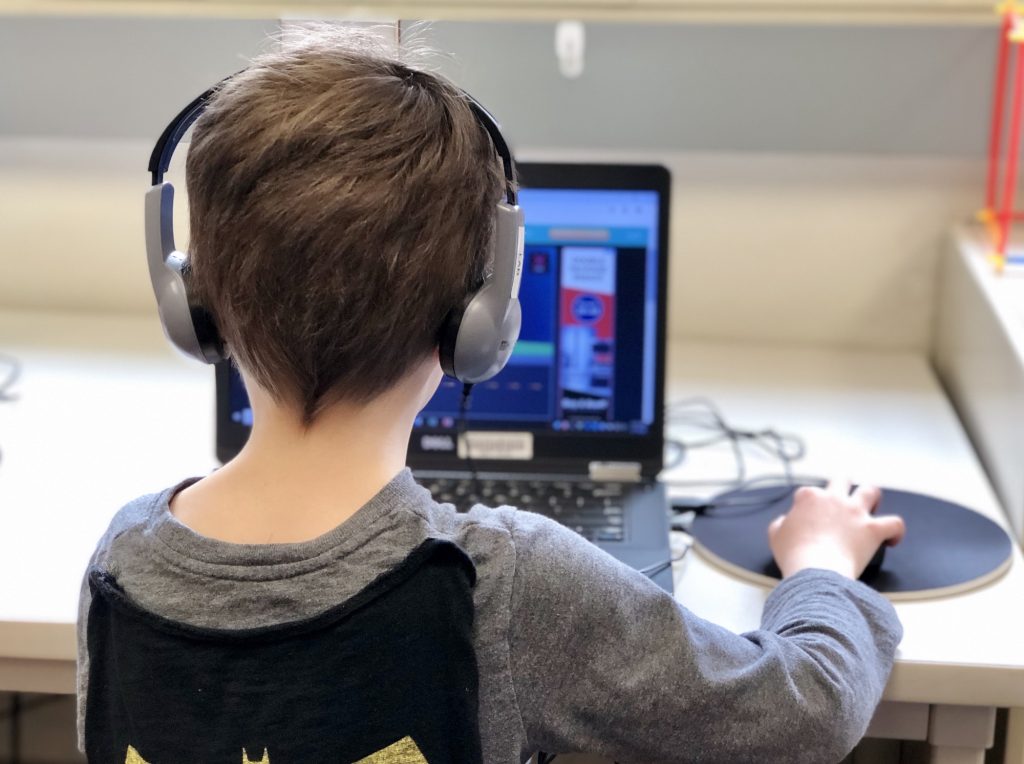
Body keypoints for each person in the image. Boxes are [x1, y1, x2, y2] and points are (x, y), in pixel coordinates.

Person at [76, 26, 905, 764]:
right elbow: (805, 715)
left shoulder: (121, 563)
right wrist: (824, 564)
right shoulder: (503, 584)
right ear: (478, 323)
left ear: (193, 306)